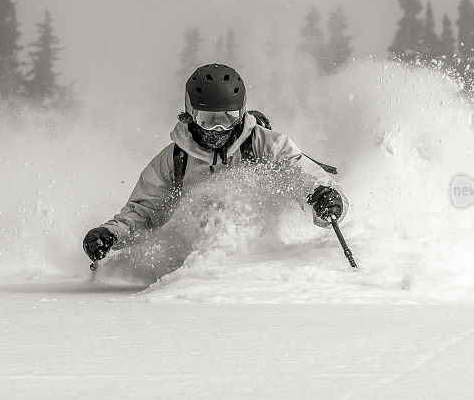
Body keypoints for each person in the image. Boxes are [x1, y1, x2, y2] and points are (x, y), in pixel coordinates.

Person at [83, 63, 348, 263]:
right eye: (207, 119)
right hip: (199, 266)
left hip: (264, 261)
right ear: (190, 114)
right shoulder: (174, 160)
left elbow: (302, 174)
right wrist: (110, 234)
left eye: (228, 118)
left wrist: (325, 198)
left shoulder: (265, 145)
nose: (217, 129)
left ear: (241, 113)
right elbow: (142, 211)